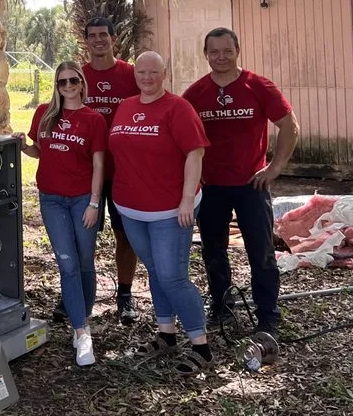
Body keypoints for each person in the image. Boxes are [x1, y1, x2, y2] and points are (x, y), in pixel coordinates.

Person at [183, 27, 299, 335]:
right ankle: (223, 309)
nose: (221, 57)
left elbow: (289, 126)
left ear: (238, 51)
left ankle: (268, 318)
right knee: (213, 251)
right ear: (205, 54)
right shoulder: (195, 94)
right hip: (211, 186)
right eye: (214, 52)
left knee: (260, 252)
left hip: (252, 185)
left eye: (227, 51)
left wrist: (274, 167)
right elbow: (178, 136)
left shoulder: (258, 86)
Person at [109, 51, 212, 375]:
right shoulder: (126, 106)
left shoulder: (178, 108)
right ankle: (166, 334)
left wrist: (186, 200)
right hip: (131, 208)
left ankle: (201, 346)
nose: (147, 77)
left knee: (173, 277)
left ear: (164, 73)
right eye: (141, 71)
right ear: (135, 74)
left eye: (154, 72)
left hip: (170, 210)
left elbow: (194, 154)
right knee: (155, 271)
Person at [20, 61, 107, 366]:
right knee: (67, 263)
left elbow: (99, 164)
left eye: (73, 81)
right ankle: (82, 333)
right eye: (62, 82)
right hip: (52, 200)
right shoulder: (45, 112)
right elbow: (38, 151)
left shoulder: (93, 119)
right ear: (56, 85)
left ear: (82, 83)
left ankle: (82, 318)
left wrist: (95, 203)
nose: (68, 86)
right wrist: (23, 146)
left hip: (83, 199)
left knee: (84, 262)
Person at [81, 16, 141, 325]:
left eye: (104, 34)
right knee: (82, 236)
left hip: (123, 171)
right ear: (86, 41)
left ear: (113, 39)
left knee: (125, 235)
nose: (98, 40)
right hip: (85, 172)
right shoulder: (76, 76)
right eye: (92, 36)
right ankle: (79, 294)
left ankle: (125, 294)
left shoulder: (131, 75)